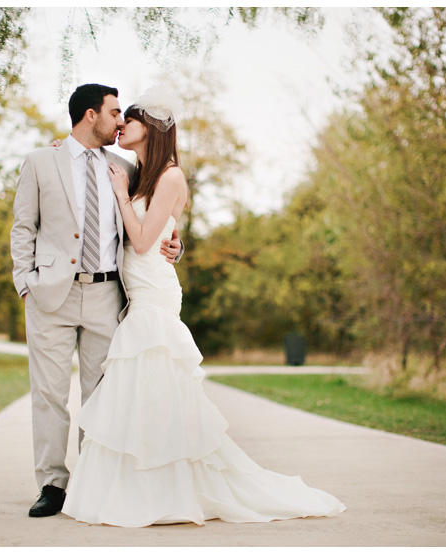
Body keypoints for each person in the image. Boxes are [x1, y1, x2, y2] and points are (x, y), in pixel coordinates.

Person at [61, 87, 347, 527]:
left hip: (153, 297)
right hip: (137, 293)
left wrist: (122, 197)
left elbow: (140, 242)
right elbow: (155, 233)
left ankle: (168, 489)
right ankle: (138, 486)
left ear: (149, 130)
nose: (121, 126)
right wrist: (168, 235)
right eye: (120, 118)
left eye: (129, 120)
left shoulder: (168, 176)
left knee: (155, 388)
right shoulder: (140, 173)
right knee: (140, 394)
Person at [10, 84, 182, 518]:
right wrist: (25, 282)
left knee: (102, 394)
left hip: (108, 294)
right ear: (91, 115)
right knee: (48, 394)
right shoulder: (40, 161)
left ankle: (92, 480)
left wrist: (177, 246)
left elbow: (155, 218)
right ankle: (52, 484)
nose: (121, 122)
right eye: (115, 113)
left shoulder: (125, 166)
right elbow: (22, 228)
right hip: (51, 294)